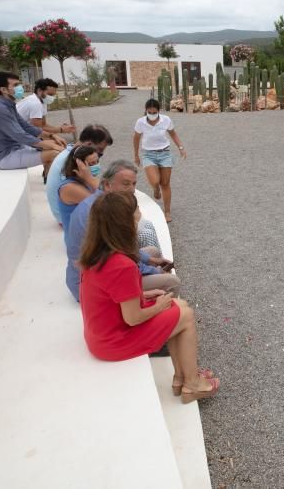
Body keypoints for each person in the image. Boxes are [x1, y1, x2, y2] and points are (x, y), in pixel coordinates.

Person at [79, 192, 219, 403]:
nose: (139, 216)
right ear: (123, 224)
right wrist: (159, 305)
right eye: (135, 214)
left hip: (101, 334)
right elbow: (132, 318)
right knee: (186, 315)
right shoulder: (121, 264)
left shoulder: (96, 254)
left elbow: (111, 295)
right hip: (114, 340)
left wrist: (141, 294)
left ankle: (180, 377)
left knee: (178, 305)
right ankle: (192, 383)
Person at [65, 160, 181, 302]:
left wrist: (151, 260)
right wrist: (154, 270)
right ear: (107, 185)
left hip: (93, 272)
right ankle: (162, 318)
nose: (132, 190)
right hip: (94, 286)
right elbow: (117, 262)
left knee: (153, 252)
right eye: (126, 184)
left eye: (134, 184)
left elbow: (121, 253)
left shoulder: (101, 202)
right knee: (172, 282)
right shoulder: (105, 212)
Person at [0, 71, 66, 170]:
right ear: (3, 89)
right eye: (16, 85)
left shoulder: (8, 105)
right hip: (5, 156)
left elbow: (27, 127)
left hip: (17, 148)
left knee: (55, 146)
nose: (20, 87)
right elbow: (20, 135)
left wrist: (52, 136)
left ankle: (48, 180)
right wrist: (48, 144)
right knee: (56, 153)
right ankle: (56, 184)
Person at [46, 124, 113, 225]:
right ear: (89, 144)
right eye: (100, 151)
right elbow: (104, 204)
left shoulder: (70, 153)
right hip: (68, 219)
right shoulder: (70, 163)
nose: (99, 156)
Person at [133, 99, 186, 222]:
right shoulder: (140, 122)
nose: (152, 114)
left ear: (158, 111)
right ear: (145, 111)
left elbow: (173, 134)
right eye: (149, 112)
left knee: (166, 183)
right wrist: (136, 155)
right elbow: (136, 139)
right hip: (148, 154)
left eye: (154, 112)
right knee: (155, 180)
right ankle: (155, 188)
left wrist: (181, 148)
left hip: (165, 153)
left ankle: (167, 211)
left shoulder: (166, 120)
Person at [57, 145, 100, 232]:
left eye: (97, 161)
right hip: (80, 242)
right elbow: (107, 203)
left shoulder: (85, 181)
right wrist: (90, 178)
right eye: (92, 163)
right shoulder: (70, 188)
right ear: (79, 165)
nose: (96, 166)